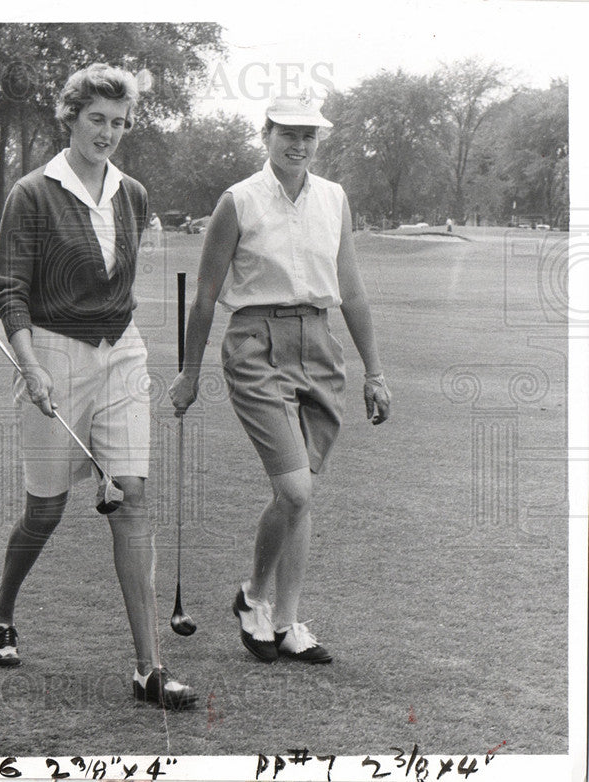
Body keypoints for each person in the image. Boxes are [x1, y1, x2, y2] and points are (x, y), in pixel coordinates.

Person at [0, 63, 197, 710]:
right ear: (70, 118)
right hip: (51, 350)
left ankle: (148, 669)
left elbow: (119, 284)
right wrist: (30, 365)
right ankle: (0, 608)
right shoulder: (32, 192)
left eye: (118, 122)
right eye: (96, 119)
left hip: (120, 350)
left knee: (131, 494)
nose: (108, 132)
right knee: (45, 510)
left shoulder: (132, 193)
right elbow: (11, 290)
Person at [169, 92, 392, 666]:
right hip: (254, 344)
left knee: (299, 495)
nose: (298, 145)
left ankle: (281, 616)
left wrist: (375, 371)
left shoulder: (336, 199)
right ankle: (254, 599)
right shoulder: (237, 201)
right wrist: (190, 374)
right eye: (287, 134)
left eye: (309, 136)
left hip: (318, 343)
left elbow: (353, 290)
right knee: (295, 490)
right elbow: (205, 297)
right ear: (265, 135)